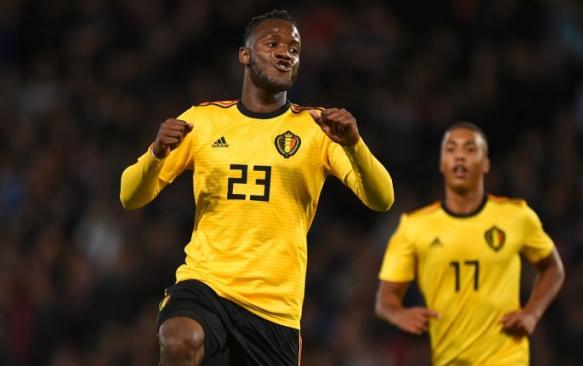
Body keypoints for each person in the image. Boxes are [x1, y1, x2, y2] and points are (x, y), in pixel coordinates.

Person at [119, 9, 394, 366]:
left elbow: (382, 199)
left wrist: (355, 145)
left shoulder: (317, 129)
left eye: (294, 48)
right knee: (178, 338)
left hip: (274, 309)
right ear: (245, 55)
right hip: (207, 284)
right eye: (273, 43)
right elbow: (130, 196)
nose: (286, 53)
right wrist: (156, 152)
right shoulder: (202, 121)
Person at [375, 122, 565, 365]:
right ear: (442, 163)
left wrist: (532, 313)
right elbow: (385, 299)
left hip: (507, 357)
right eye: (451, 150)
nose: (460, 157)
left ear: (485, 163)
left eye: (470, 149)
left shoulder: (516, 216)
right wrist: (397, 313)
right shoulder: (414, 227)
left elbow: (553, 268)